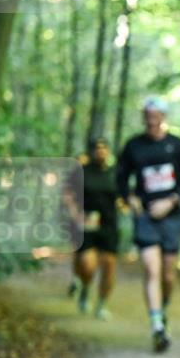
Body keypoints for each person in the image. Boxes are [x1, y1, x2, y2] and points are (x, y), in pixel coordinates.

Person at [117, 97, 180, 353]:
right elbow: (120, 177)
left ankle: (163, 309)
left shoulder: (177, 145)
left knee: (168, 274)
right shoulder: (133, 146)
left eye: (155, 115)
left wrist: (170, 202)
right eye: (147, 115)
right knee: (152, 269)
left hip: (171, 217)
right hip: (146, 217)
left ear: (163, 117)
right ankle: (157, 325)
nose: (151, 120)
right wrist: (129, 198)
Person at [64, 136, 120, 320]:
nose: (101, 151)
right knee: (88, 265)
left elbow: (123, 196)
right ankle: (85, 288)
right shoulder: (81, 171)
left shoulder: (115, 173)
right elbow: (68, 194)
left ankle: (102, 304)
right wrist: (75, 214)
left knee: (109, 266)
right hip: (87, 224)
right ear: (92, 151)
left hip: (109, 225)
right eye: (97, 148)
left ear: (108, 151)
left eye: (104, 147)